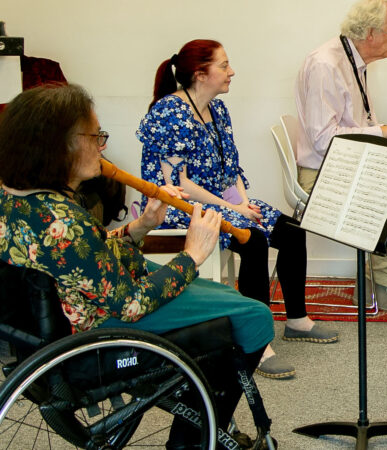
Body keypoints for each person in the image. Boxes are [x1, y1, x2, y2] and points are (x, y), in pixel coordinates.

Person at [0, 84, 272, 446]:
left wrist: (141, 226)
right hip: (96, 329)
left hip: (66, 318)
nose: (103, 145)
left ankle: (203, 411)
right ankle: (192, 439)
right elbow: (129, 304)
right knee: (253, 316)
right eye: (96, 136)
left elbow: (84, 261)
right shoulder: (62, 219)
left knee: (222, 297)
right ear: (58, 144)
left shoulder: (20, 199)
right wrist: (192, 255)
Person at [137, 39, 337, 379]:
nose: (232, 72)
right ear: (201, 74)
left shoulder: (217, 109)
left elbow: (231, 169)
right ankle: (256, 343)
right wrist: (237, 211)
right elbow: (180, 184)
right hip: (174, 206)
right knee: (253, 239)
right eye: (224, 66)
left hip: (219, 200)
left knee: (291, 232)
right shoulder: (170, 112)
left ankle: (297, 320)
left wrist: (242, 202)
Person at [295, 0, 387, 311]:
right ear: (371, 33)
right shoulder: (326, 64)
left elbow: (356, 125)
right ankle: (382, 285)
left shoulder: (352, 61)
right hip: (323, 174)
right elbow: (324, 140)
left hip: (348, 164)